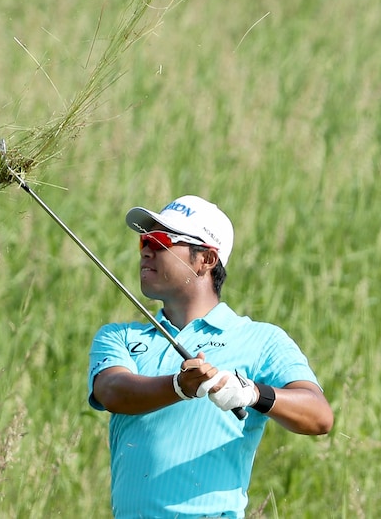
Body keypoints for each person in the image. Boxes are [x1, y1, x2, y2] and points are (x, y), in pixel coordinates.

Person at [87, 195, 333, 518]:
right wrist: (179, 386)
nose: (146, 249)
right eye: (144, 240)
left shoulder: (261, 340)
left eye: (161, 241)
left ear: (206, 260)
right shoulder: (120, 336)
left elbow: (319, 415)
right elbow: (112, 391)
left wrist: (253, 393)